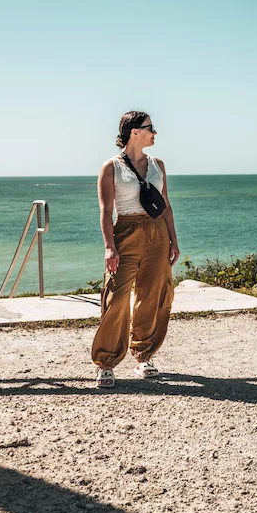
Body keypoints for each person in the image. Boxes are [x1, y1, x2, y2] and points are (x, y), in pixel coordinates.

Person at [91, 111, 180, 388]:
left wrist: (174, 240)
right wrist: (109, 247)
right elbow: (106, 212)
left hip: (157, 232)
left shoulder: (158, 165)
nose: (155, 132)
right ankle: (106, 362)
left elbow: (165, 204)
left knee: (153, 295)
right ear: (134, 132)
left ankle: (143, 354)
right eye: (150, 128)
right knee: (116, 296)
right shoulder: (111, 167)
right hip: (126, 232)